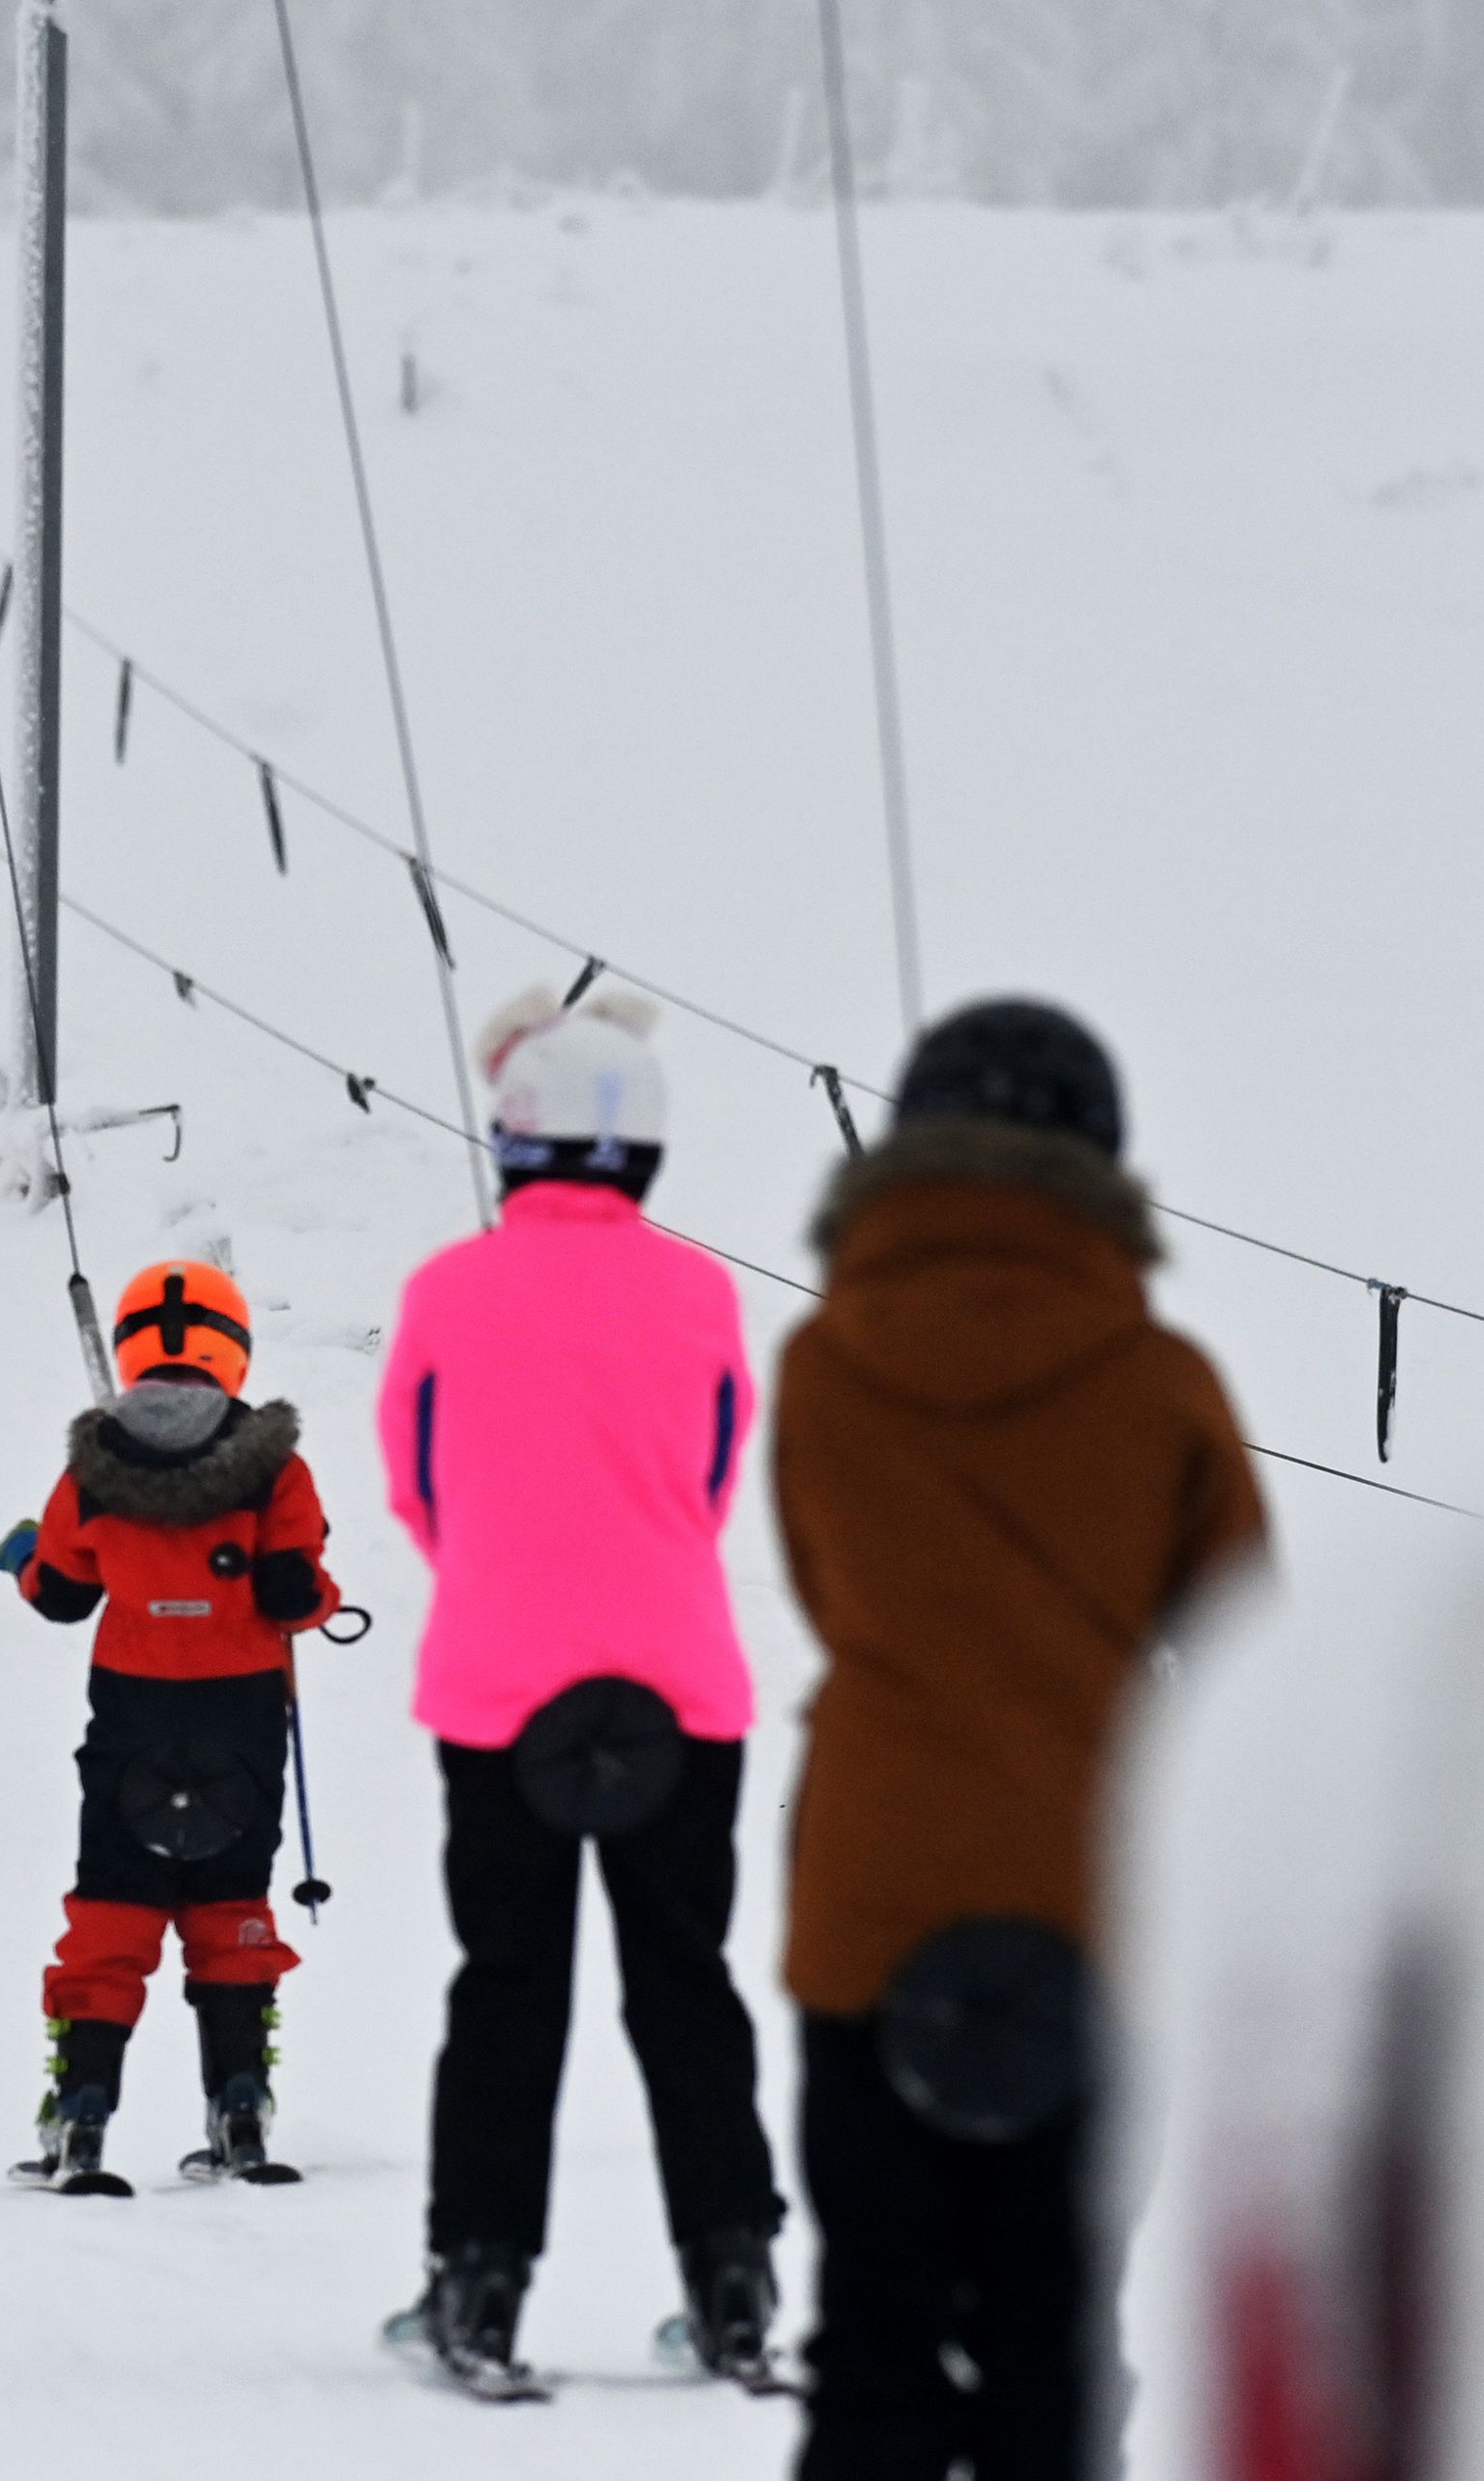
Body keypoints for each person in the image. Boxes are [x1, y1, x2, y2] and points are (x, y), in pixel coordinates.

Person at [774, 1001, 1263, 2481]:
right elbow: (1242, 1636)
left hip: (866, 1900)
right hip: (1087, 1893)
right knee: (1051, 2336)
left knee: (872, 2336)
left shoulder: (822, 1362)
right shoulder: (1163, 1379)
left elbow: (822, 1582)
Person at [375, 986, 786, 2395]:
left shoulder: (448, 1289)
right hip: (682, 1683)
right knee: (686, 1983)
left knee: (508, 1987)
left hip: (498, 1685)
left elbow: (417, 1483)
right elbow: (714, 1475)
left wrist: (505, 1574)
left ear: (511, 1137)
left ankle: (478, 2280)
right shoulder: (703, 1292)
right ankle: (733, 2279)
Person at [0, 1261, 336, 2194]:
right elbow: (294, 1593)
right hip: (243, 1720)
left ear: (133, 1345)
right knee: (231, 1907)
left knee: (114, 1911)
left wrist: (25, 1555)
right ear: (234, 1348)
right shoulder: (275, 1464)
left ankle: (81, 2115)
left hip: (132, 1718)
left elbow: (62, 1595)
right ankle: (240, 2107)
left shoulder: (96, 1463)